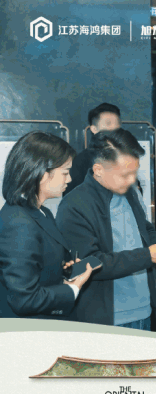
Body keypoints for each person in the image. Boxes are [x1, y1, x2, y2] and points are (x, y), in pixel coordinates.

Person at [56, 129, 156, 329]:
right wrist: (148, 255)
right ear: (98, 170)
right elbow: (87, 263)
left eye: (135, 173)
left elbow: (144, 229)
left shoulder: (129, 193)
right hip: (107, 318)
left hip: (144, 309)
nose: (132, 180)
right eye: (125, 175)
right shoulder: (74, 205)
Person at [0, 132, 94, 319]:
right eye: (65, 173)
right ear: (42, 174)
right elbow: (24, 300)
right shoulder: (19, 223)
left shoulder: (40, 211)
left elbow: (38, 265)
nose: (69, 179)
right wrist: (72, 289)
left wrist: (64, 270)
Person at [64, 103, 121, 196]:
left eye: (117, 124)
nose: (114, 128)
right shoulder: (81, 161)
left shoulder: (124, 157)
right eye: (108, 123)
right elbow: (71, 196)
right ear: (94, 129)